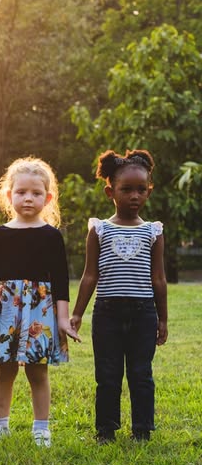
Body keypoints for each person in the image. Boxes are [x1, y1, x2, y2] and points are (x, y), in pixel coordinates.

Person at [0, 157, 79, 447]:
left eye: (36, 193)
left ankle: (41, 429)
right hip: (4, 308)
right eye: (21, 192)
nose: (28, 198)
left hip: (40, 311)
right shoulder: (0, 235)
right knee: (4, 369)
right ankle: (0, 426)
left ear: (48, 197)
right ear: (9, 196)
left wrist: (63, 319)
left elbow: (60, 281)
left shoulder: (52, 236)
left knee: (37, 370)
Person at [70, 150, 167, 443]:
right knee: (108, 374)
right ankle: (106, 430)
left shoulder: (153, 231)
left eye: (141, 190)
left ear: (149, 191)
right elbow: (90, 275)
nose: (134, 196)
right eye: (127, 190)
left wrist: (163, 318)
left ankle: (142, 430)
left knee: (141, 374)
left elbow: (158, 279)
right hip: (107, 313)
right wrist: (77, 314)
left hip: (143, 314)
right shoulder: (99, 230)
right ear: (110, 191)